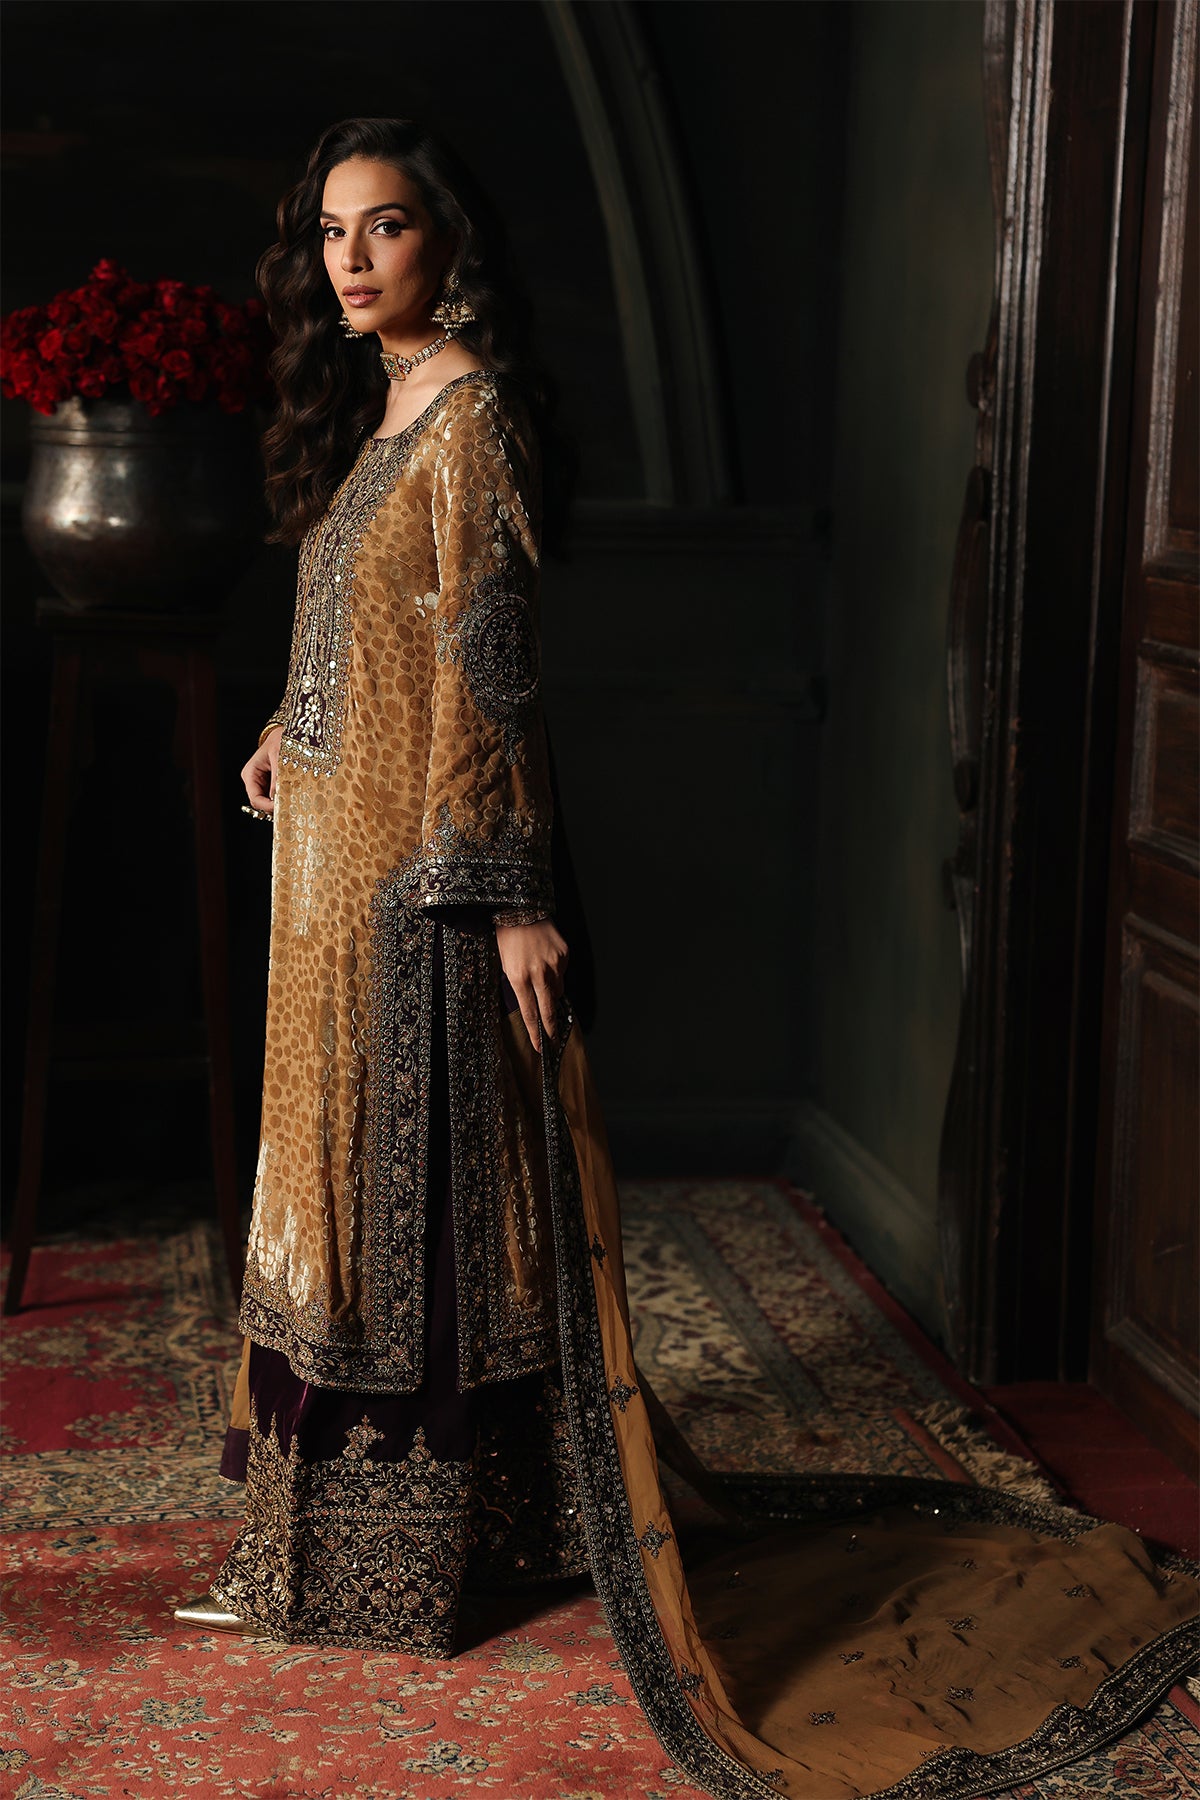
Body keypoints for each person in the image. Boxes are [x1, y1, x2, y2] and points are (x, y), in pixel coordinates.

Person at [174, 117, 1197, 1800]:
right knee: (339, 1188)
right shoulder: (388, 406)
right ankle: (324, 1547)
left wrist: (505, 895)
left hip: (422, 879)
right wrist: (296, 723)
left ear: (450, 243)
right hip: (328, 869)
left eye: (388, 227)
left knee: (418, 1200)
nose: (353, 259)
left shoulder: (478, 418)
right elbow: (370, 621)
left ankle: (402, 1563)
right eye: (335, 231)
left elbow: (490, 662)